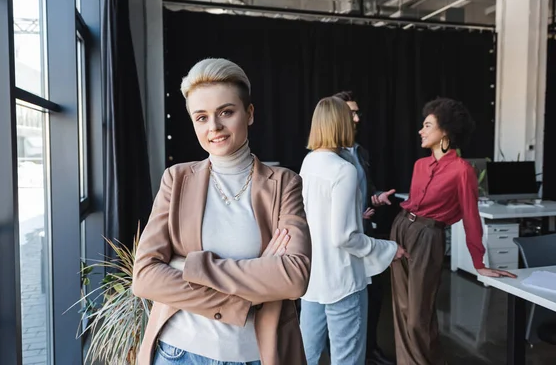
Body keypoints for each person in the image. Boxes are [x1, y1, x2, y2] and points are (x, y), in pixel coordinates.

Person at [132, 58, 312, 365]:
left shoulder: (284, 183)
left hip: (253, 355)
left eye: (226, 112)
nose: (214, 127)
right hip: (177, 353)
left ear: (249, 113)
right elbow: (145, 277)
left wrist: (189, 266)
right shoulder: (176, 179)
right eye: (201, 118)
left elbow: (294, 277)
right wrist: (250, 289)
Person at [391, 97, 517, 365]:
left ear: (445, 131)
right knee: (402, 307)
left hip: (427, 236)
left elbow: (471, 217)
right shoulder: (419, 166)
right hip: (401, 227)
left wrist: (478, 262)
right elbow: (414, 201)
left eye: (427, 125)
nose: (421, 131)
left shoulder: (463, 171)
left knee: (418, 315)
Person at [299, 96, 409, 365]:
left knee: (306, 355)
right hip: (342, 281)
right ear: (340, 123)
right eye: (351, 117)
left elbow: (312, 218)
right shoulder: (343, 169)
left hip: (312, 279)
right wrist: (389, 248)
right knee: (347, 360)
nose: (356, 120)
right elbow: (344, 237)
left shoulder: (309, 162)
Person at [332, 91, 397, 365]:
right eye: (351, 113)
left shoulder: (359, 151)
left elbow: (364, 191)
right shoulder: (327, 155)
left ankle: (370, 349)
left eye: (358, 112)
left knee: (375, 294)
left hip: (365, 230)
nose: (357, 118)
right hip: (345, 238)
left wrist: (376, 198)